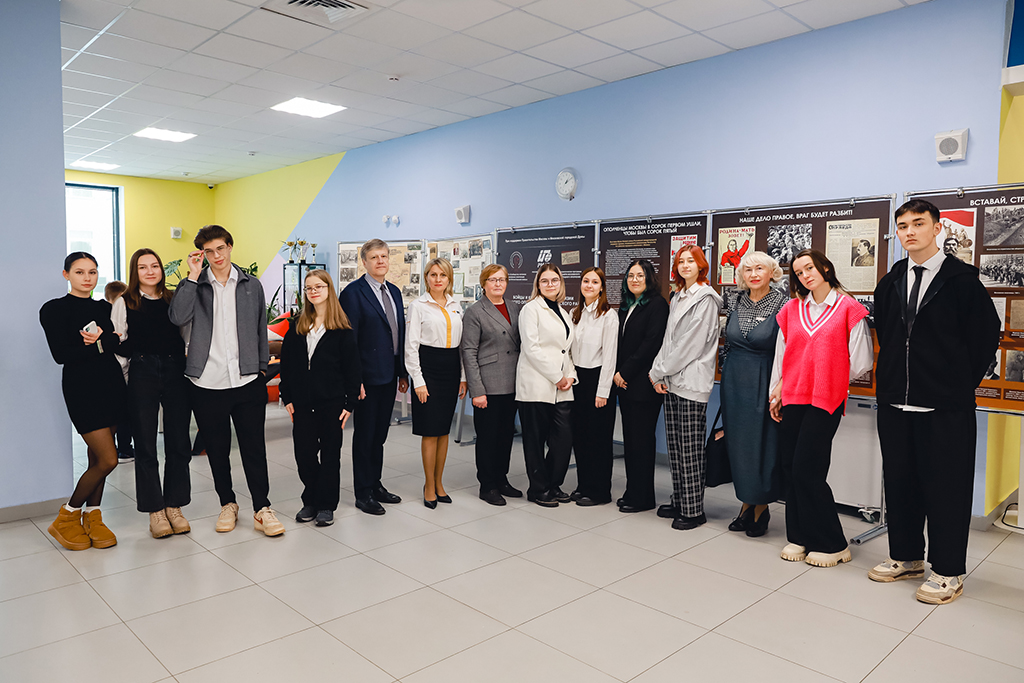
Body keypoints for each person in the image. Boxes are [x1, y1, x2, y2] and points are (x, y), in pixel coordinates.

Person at [870, 199, 1000, 604]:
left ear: (937, 227)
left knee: (947, 489)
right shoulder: (891, 280)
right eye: (903, 225)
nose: (909, 232)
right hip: (896, 402)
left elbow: (985, 336)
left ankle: (948, 571)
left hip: (945, 407)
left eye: (918, 223)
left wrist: (956, 384)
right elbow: (888, 335)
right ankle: (906, 556)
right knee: (900, 483)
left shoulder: (961, 280)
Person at [169, 225, 284, 537]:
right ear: (203, 254)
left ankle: (262, 507)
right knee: (217, 450)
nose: (216, 256)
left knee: (254, 449)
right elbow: (178, 317)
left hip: (247, 380)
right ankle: (227, 503)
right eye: (209, 251)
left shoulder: (251, 285)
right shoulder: (195, 285)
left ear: (230, 247)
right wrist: (193, 276)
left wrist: (261, 370)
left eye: (220, 248)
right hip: (207, 383)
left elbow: (260, 327)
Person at [769, 249, 872, 567]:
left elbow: (862, 360)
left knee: (807, 469)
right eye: (799, 272)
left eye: (809, 268)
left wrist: (830, 376)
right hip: (793, 396)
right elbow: (782, 355)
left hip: (826, 399)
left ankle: (833, 543)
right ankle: (799, 536)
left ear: (825, 268)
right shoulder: (791, 309)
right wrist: (776, 391)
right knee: (790, 467)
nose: (805, 276)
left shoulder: (848, 308)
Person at [40, 252, 126, 550]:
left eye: (92, 272)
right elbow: (62, 355)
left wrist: (103, 342)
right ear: (66, 275)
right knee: (108, 459)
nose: (87, 278)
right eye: (79, 272)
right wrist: (102, 344)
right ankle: (66, 517)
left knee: (95, 459)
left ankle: (93, 518)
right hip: (82, 390)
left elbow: (119, 342)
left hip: (112, 385)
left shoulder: (105, 307)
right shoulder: (53, 309)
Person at [112, 248, 193, 539]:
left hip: (175, 371)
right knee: (145, 444)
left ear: (161, 269)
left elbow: (186, 335)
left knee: (179, 442)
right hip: (142, 371)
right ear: (135, 272)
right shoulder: (125, 301)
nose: (150, 271)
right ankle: (155, 510)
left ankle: (174, 506)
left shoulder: (173, 299)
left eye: (155, 265)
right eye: (143, 267)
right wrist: (125, 381)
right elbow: (119, 343)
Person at [279, 270, 361, 527]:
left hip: (332, 403)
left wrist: (349, 403)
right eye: (309, 288)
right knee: (304, 455)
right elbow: (287, 366)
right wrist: (286, 396)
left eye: (318, 287)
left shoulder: (342, 328)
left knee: (330, 456)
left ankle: (326, 505)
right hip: (302, 404)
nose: (313, 291)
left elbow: (352, 369)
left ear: (329, 290)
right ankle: (311, 500)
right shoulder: (297, 326)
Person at [649, 246, 722, 530]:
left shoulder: (706, 299)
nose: (685, 265)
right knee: (676, 447)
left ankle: (693, 511)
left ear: (701, 265)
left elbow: (690, 345)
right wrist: (659, 373)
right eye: (681, 261)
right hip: (672, 379)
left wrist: (658, 371)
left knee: (690, 449)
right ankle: (680, 500)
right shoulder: (678, 296)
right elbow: (669, 340)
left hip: (691, 381)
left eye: (691, 261)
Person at [719, 251, 788, 537]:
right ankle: (746, 503)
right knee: (739, 444)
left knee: (763, 444)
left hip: (765, 379)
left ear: (772, 272)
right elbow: (727, 344)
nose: (754, 274)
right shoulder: (735, 300)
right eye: (748, 270)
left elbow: (789, 349)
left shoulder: (784, 303)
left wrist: (781, 385)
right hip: (734, 382)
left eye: (760, 268)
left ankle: (761, 507)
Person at [339, 239, 408, 515]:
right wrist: (355, 380)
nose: (380, 261)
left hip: (389, 375)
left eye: (384, 256)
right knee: (365, 436)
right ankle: (363, 492)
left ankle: (375, 484)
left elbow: (398, 333)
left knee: (380, 434)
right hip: (366, 378)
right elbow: (349, 341)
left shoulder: (394, 291)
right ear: (364, 262)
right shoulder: (353, 294)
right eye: (374, 257)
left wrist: (402, 372)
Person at [406, 258, 468, 508]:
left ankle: (439, 483)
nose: (438, 279)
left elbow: (461, 346)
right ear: (426, 278)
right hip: (428, 369)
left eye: (443, 275)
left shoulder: (456, 305)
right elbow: (411, 347)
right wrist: (418, 381)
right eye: (433, 275)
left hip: (450, 369)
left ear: (449, 278)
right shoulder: (417, 306)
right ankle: (429, 485)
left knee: (444, 430)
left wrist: (462, 377)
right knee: (430, 431)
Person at [461, 264, 523, 506]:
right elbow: (469, 352)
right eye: (493, 280)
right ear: (483, 283)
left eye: (502, 279)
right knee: (488, 437)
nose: (498, 284)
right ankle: (487, 485)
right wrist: (477, 390)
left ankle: (501, 479)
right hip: (488, 384)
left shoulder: (515, 308)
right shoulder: (475, 312)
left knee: (506, 435)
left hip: (513, 382)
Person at [516, 264, 577, 507]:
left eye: (554, 280)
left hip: (562, 387)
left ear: (561, 283)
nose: (550, 284)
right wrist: (557, 377)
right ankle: (538, 489)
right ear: (538, 285)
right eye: (545, 281)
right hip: (536, 384)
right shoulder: (531, 309)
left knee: (563, 439)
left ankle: (553, 484)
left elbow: (566, 351)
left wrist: (570, 376)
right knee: (535, 440)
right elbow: (531, 348)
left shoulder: (563, 311)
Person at [614, 259, 669, 513]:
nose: (634, 280)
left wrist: (624, 371)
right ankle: (633, 491)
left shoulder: (657, 305)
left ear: (649, 278)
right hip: (626, 385)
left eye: (640, 275)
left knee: (642, 442)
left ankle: (643, 497)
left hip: (644, 385)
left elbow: (651, 344)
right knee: (631, 441)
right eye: (631, 276)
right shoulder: (627, 305)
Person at [569, 267, 618, 506]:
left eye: (595, 282)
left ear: (602, 287)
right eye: (586, 281)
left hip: (598, 379)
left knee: (598, 439)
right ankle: (583, 485)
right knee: (580, 436)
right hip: (578, 380)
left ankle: (600, 492)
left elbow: (610, 357)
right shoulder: (574, 313)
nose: (589, 285)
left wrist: (603, 392)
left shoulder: (608, 315)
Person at [104, 280, 134, 464]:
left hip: (113, 369)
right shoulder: (116, 313)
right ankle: (125, 449)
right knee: (125, 412)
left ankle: (115, 448)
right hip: (122, 368)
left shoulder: (105, 315)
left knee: (115, 412)